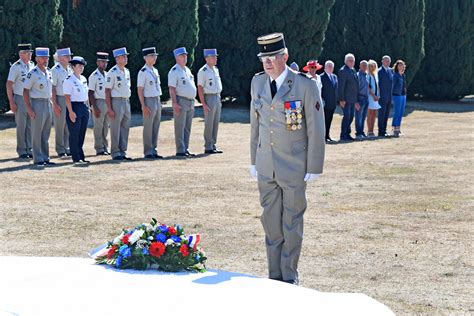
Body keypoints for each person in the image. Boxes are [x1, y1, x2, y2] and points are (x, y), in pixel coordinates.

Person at [249, 33, 325, 285]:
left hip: (293, 166)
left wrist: (314, 165)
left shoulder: (304, 85)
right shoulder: (258, 83)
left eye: (272, 57)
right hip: (266, 166)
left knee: (291, 223)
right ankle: (274, 277)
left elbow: (316, 127)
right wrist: (253, 160)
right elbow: (255, 125)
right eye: (264, 58)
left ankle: (289, 275)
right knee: (271, 223)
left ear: (285, 56)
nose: (267, 62)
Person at [23, 47, 55, 166]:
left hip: (47, 102)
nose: (46, 59)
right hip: (37, 103)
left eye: (47, 57)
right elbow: (25, 91)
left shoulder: (48, 71)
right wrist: (29, 108)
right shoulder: (33, 73)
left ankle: (45, 157)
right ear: (36, 59)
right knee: (37, 132)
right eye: (43, 57)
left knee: (46, 132)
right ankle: (38, 158)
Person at [6, 43, 35, 159]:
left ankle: (30, 148)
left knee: (30, 125)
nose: (30, 55)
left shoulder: (32, 65)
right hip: (20, 98)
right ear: (21, 54)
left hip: (31, 98)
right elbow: (9, 84)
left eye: (31, 52)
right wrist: (11, 102)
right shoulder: (16, 67)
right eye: (28, 53)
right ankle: (22, 150)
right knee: (21, 125)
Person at [168, 47, 197, 157]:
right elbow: (172, 88)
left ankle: (186, 148)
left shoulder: (187, 70)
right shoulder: (174, 71)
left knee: (187, 127)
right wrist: (174, 103)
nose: (185, 57)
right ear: (176, 57)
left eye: (185, 55)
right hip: (181, 100)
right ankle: (180, 150)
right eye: (182, 55)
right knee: (180, 126)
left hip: (190, 101)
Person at [105, 47, 132, 161]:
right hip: (116, 101)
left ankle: (123, 151)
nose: (126, 58)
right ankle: (115, 152)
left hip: (126, 100)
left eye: (126, 56)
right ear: (117, 58)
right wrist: (109, 108)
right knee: (115, 127)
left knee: (125, 127)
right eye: (124, 56)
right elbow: (107, 91)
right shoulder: (112, 72)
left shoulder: (127, 71)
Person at [137, 47, 163, 159]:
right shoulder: (143, 72)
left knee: (156, 125)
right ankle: (148, 151)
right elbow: (140, 89)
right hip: (149, 100)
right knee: (148, 126)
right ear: (145, 58)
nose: (154, 58)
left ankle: (154, 149)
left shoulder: (155, 70)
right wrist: (143, 105)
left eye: (155, 55)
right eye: (152, 56)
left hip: (157, 99)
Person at [63, 56, 90, 165]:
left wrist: (88, 107)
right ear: (73, 67)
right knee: (74, 133)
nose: (81, 68)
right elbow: (67, 97)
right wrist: (70, 111)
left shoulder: (83, 79)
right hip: (74, 106)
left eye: (82, 66)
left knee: (81, 133)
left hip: (83, 107)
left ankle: (81, 155)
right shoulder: (69, 80)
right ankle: (76, 157)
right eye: (79, 66)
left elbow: (86, 94)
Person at [197, 48, 223, 154]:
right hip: (209, 97)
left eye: (215, 57)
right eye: (213, 57)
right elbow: (200, 87)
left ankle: (213, 144)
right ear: (207, 59)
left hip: (217, 97)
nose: (215, 59)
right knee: (209, 122)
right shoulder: (203, 71)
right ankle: (208, 146)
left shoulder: (215, 69)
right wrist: (203, 103)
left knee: (215, 122)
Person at [51, 47, 73, 157]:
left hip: (69, 99)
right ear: (60, 58)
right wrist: (55, 104)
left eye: (70, 56)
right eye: (67, 56)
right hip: (59, 98)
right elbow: (53, 88)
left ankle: (67, 147)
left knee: (68, 124)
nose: (70, 58)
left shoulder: (70, 69)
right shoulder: (55, 70)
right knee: (60, 125)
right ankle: (60, 149)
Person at [88, 52, 110, 156]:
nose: (104, 64)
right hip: (98, 102)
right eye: (102, 62)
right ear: (97, 62)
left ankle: (105, 146)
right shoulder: (94, 76)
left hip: (107, 101)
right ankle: (99, 148)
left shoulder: (107, 75)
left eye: (105, 62)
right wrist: (94, 107)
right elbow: (91, 93)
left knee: (106, 127)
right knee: (98, 127)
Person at [337, 53, 359, 141]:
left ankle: (347, 134)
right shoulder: (343, 70)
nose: (352, 62)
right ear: (346, 61)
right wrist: (341, 99)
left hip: (353, 99)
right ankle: (343, 135)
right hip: (345, 99)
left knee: (350, 117)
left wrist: (357, 100)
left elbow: (356, 85)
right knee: (347, 117)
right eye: (350, 60)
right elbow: (341, 86)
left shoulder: (353, 70)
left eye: (353, 60)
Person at [320, 60, 338, 143]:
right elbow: (320, 90)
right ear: (325, 68)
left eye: (332, 67)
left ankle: (327, 135)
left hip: (332, 103)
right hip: (325, 103)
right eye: (329, 67)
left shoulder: (334, 77)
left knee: (329, 120)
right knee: (324, 121)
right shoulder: (321, 77)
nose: (330, 68)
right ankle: (323, 137)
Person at [378, 55, 393, 137]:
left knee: (387, 114)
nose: (387, 62)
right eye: (386, 61)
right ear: (382, 61)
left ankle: (384, 130)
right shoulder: (379, 71)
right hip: (382, 97)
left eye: (389, 61)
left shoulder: (391, 71)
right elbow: (378, 85)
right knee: (382, 114)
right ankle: (381, 131)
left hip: (389, 97)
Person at [391, 60, 407, 137]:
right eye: (399, 65)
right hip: (396, 95)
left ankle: (399, 128)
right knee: (397, 112)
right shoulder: (395, 75)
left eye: (402, 65)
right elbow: (392, 86)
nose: (401, 67)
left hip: (403, 95)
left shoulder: (403, 75)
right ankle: (394, 129)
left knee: (401, 112)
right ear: (396, 67)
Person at [366, 60, 381, 138]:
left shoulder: (375, 75)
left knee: (374, 113)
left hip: (376, 97)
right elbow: (368, 87)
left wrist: (378, 95)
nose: (373, 67)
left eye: (374, 65)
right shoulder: (368, 75)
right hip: (370, 97)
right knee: (370, 113)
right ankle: (369, 131)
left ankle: (372, 130)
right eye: (371, 66)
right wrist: (373, 96)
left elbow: (377, 86)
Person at [355, 60, 369, 140]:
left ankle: (362, 131)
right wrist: (356, 101)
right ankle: (358, 133)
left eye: (366, 65)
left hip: (366, 98)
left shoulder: (366, 75)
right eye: (363, 65)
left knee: (363, 117)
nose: (364, 67)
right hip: (360, 98)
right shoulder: (358, 75)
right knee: (358, 117)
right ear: (360, 66)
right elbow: (356, 89)